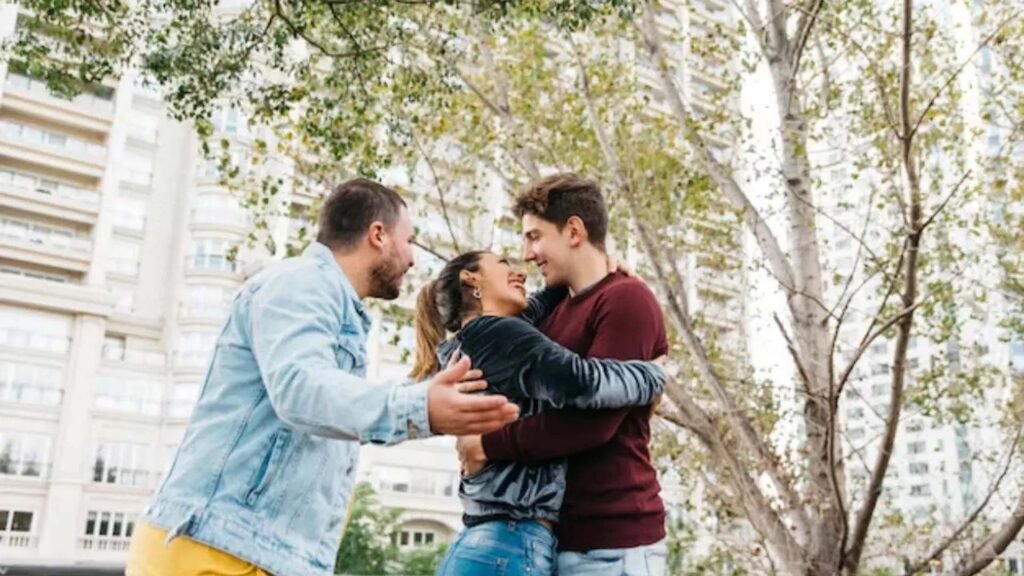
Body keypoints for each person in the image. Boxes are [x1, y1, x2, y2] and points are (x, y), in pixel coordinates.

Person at [125, 178, 520, 576]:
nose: (413, 259)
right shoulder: (300, 283)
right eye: (410, 241)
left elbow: (333, 400)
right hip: (217, 550)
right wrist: (421, 407)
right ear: (378, 235)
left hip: (264, 554)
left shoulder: (331, 304)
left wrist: (432, 394)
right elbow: (300, 389)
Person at [458, 173, 671, 575]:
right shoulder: (553, 311)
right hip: (552, 537)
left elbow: (591, 425)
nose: (527, 252)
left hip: (611, 543)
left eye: (535, 237)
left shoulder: (626, 298)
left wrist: (487, 445)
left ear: (574, 230)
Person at [411, 250, 666, 575]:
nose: (520, 271)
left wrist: (600, 266)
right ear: (471, 279)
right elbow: (580, 383)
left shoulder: (478, 340)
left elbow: (542, 301)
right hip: (511, 543)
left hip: (492, 541)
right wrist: (652, 375)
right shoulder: (494, 333)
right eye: (504, 263)